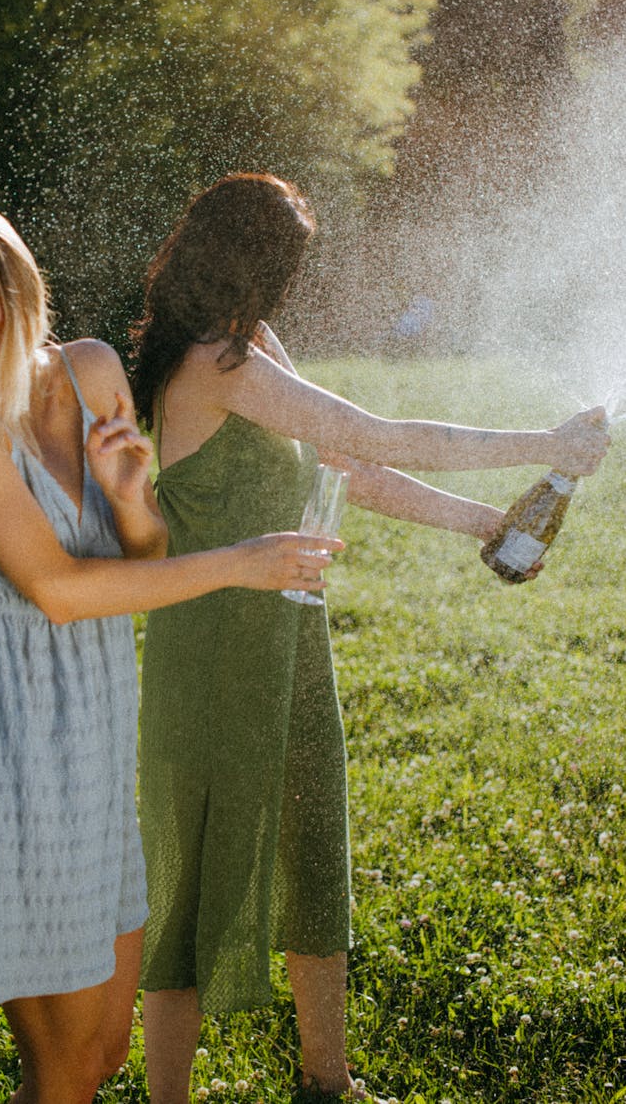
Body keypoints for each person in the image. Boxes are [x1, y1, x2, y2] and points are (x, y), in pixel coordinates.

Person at [128, 172, 609, 1103]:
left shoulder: (252, 346)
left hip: (293, 639)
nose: (290, 284)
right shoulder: (207, 361)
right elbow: (375, 428)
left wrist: (483, 523)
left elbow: (350, 464)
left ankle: (326, 1079)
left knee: (314, 846)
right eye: (287, 262)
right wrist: (543, 439)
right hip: (214, 645)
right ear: (253, 259)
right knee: (188, 885)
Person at [0, 198, 338, 1104]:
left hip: (95, 744)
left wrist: (131, 499)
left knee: (104, 1056)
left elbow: (141, 555)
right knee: (64, 1074)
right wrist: (239, 563)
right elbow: (56, 589)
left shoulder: (91, 370)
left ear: (17, 285)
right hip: (13, 755)